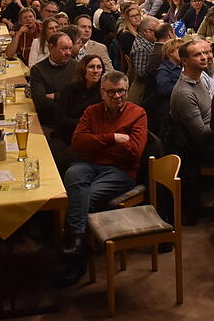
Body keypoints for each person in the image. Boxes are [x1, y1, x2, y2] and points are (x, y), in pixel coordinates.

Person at [58, 70, 148, 285]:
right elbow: (78, 144)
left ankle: (76, 253)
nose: (117, 96)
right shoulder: (91, 112)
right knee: (73, 172)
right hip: (88, 165)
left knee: (80, 198)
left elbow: (134, 151)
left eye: (121, 91)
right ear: (102, 93)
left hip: (120, 172)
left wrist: (96, 144)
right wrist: (112, 139)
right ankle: (82, 244)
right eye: (111, 92)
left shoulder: (137, 113)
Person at [170, 39, 214, 223]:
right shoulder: (184, 92)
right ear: (184, 60)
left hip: (203, 141)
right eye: (198, 55)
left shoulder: (199, 79)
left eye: (206, 53)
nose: (205, 57)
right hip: (194, 149)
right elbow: (200, 134)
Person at [52, 55, 105, 156]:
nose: (96, 71)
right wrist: (84, 123)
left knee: (67, 158)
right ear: (83, 69)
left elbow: (98, 124)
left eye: (99, 67)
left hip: (88, 137)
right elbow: (60, 119)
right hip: (64, 134)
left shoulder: (104, 93)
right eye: (91, 67)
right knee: (52, 155)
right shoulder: (69, 89)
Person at [30, 33, 77, 129]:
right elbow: (41, 103)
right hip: (50, 123)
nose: (68, 53)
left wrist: (55, 96)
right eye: (64, 49)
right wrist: (69, 103)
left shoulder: (76, 66)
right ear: (51, 48)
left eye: (70, 48)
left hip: (74, 121)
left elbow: (81, 96)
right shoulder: (38, 70)